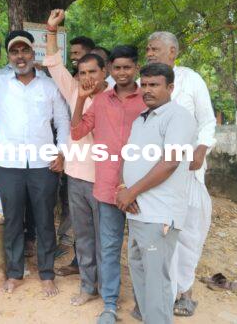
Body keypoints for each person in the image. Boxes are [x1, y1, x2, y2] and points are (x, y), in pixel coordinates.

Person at [0, 31, 70, 297]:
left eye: (25, 51)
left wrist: (62, 152)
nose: (21, 57)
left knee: (44, 221)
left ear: (33, 54)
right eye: (15, 52)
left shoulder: (49, 86)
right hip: (9, 165)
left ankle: (46, 274)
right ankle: (14, 273)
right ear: (9, 57)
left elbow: (63, 121)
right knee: (13, 221)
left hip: (43, 164)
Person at [71, 45, 147, 323]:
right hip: (107, 187)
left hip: (143, 189)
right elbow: (77, 132)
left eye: (128, 67)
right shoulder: (101, 101)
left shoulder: (148, 99)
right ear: (110, 70)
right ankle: (110, 304)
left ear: (136, 68)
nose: (122, 72)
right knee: (110, 247)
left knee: (142, 250)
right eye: (118, 68)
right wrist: (81, 99)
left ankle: (143, 303)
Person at [116, 62, 196, 324]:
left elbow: (170, 162)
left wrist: (132, 192)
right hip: (138, 212)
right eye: (145, 84)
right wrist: (122, 189)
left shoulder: (178, 116)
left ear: (170, 87)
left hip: (159, 214)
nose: (147, 90)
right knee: (141, 278)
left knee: (156, 282)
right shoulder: (142, 118)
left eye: (154, 85)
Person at [146, 31, 217, 317]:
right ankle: (162, 292)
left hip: (187, 170)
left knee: (188, 232)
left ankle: (185, 292)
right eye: (148, 49)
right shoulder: (146, 83)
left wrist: (201, 149)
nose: (149, 53)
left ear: (172, 52)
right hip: (156, 172)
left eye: (155, 49)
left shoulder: (191, 80)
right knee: (161, 234)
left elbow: (208, 121)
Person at [42, 8, 102, 306]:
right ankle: (88, 286)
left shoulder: (116, 97)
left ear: (105, 73)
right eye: (82, 73)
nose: (87, 78)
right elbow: (53, 64)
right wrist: (51, 31)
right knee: (85, 237)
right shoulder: (74, 92)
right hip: (77, 178)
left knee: (108, 239)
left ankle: (109, 288)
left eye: (93, 72)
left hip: (106, 181)